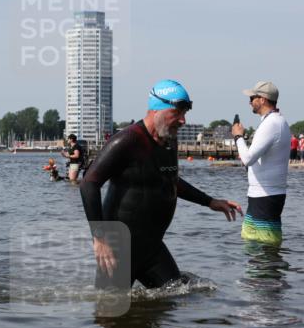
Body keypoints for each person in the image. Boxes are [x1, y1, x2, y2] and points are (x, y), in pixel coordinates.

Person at [79, 79, 242, 289]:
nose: (183, 120)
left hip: (152, 246)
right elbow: (88, 184)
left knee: (176, 299)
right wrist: (99, 239)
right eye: (178, 113)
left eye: (185, 114)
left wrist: (209, 202)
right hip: (119, 249)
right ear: (158, 110)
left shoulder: (169, 140)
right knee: (111, 315)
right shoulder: (127, 140)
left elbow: (171, 180)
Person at [231, 81, 291, 246]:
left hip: (266, 195)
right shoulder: (277, 121)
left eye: (252, 97)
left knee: (264, 247)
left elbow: (248, 158)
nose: (249, 101)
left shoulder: (271, 124)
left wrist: (238, 136)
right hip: (264, 193)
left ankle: (270, 271)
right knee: (253, 243)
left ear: (263, 99)